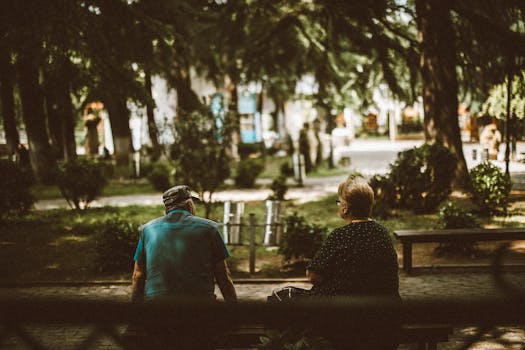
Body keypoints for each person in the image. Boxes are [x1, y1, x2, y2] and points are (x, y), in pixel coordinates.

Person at [306, 176, 400, 349]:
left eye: (339, 201)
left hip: (346, 319)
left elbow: (313, 275)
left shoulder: (339, 236)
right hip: (384, 315)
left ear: (345, 207)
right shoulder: (382, 234)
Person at [131, 185, 237, 303]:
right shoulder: (210, 229)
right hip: (199, 306)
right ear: (190, 205)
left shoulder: (148, 230)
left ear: (166, 209)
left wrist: (135, 311)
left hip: (157, 306)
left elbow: (138, 275)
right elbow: (223, 277)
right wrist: (234, 310)